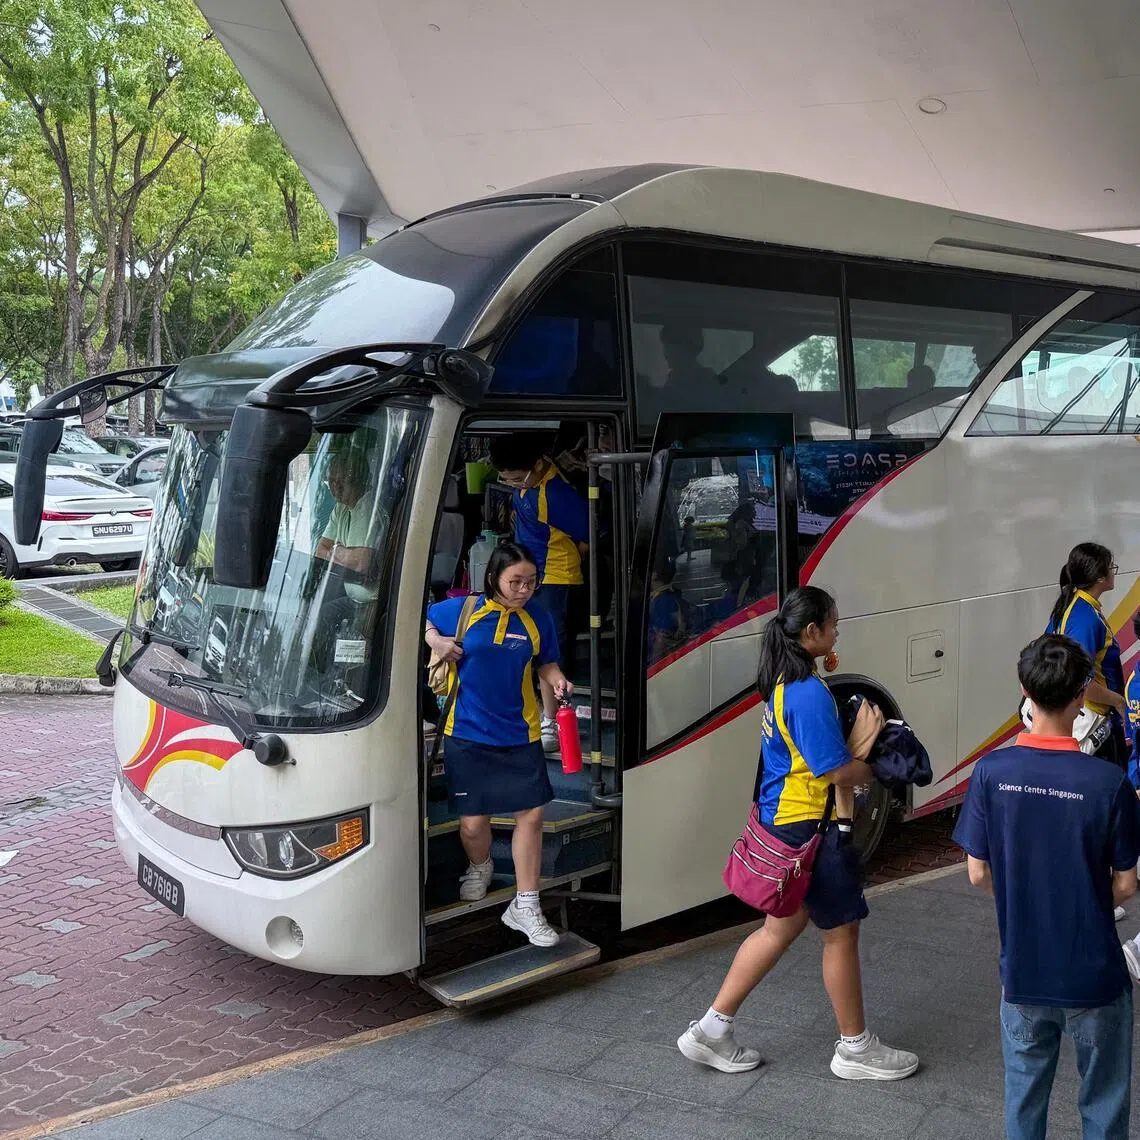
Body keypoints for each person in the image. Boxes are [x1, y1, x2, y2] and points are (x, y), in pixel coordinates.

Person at [677, 586, 919, 1081]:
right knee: (841, 934)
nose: (837, 632)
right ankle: (855, 1049)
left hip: (782, 824)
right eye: (834, 624)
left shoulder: (783, 682)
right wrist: (873, 757)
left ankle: (710, 1030)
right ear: (812, 632)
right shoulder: (808, 693)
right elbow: (836, 772)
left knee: (778, 929)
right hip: (813, 832)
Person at [954, 633, 1140, 1140]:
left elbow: (978, 872)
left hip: (1023, 972)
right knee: (1103, 1107)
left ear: (1023, 689)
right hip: (1095, 977)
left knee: (1025, 1104)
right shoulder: (1109, 784)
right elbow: (1126, 885)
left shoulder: (991, 773)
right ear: (1083, 694)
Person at [424, 541, 573, 947]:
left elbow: (547, 662)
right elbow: (423, 618)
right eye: (515, 581)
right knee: (474, 824)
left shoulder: (537, 619)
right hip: (467, 732)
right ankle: (481, 865)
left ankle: (526, 903)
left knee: (532, 816)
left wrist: (556, 680)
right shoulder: (464, 610)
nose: (523, 589)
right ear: (493, 578)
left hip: (519, 733)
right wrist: (436, 642)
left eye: (530, 582)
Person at [489, 434, 588, 754]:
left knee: (549, 649)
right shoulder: (527, 486)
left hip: (554, 578)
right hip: (533, 577)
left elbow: (589, 532)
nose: (509, 482)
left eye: (514, 477)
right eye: (504, 477)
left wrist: (561, 564)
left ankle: (553, 720)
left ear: (534, 467)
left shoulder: (554, 494)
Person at [1045, 542, 1127, 769]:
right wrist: (1118, 701)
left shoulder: (1071, 606)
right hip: (1094, 723)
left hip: (1075, 717)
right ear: (1100, 577)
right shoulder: (1086, 619)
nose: (1113, 572)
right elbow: (1081, 681)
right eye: (1111, 567)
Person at [314, 450, 381, 579]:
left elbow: (361, 564)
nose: (336, 486)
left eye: (343, 480)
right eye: (332, 480)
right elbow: (320, 550)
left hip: (371, 598)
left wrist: (335, 550)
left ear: (359, 480)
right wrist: (344, 556)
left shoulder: (366, 506)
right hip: (346, 590)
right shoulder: (341, 508)